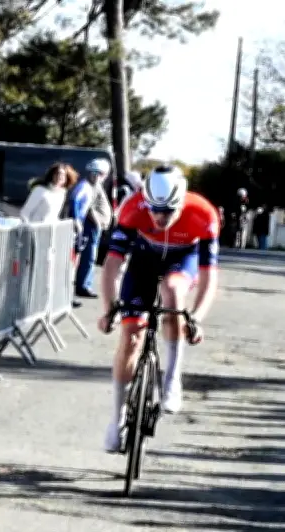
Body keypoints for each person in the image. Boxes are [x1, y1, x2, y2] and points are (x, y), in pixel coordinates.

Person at [97, 165, 220, 452]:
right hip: (143, 262)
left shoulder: (204, 213)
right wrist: (108, 308)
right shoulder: (132, 208)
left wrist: (197, 318)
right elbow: (112, 264)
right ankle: (116, 418)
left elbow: (208, 275)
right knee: (130, 337)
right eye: (154, 210)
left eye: (168, 211)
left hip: (182, 260)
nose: (160, 217)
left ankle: (173, 377)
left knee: (173, 291)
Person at [70, 158, 111, 299]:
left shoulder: (95, 186)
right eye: (95, 173)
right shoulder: (86, 186)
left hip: (94, 226)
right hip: (89, 226)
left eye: (100, 174)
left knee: (90, 257)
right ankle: (83, 286)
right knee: (89, 256)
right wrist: (96, 221)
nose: (97, 176)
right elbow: (79, 203)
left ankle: (85, 284)